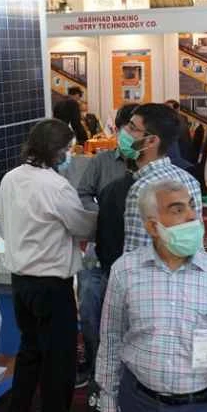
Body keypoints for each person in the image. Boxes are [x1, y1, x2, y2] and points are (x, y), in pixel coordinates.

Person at [97, 180, 207, 412]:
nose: (192, 216)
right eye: (178, 209)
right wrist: (108, 400)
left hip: (201, 411)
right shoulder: (125, 271)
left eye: (192, 206)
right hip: (138, 405)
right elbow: (111, 339)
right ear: (153, 227)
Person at [0, 119, 97, 412]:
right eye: (68, 149)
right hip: (52, 286)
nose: (70, 155)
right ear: (56, 151)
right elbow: (81, 226)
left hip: (20, 283)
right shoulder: (56, 186)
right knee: (58, 363)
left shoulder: (11, 178)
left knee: (29, 352)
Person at [75, 104, 139, 383]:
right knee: (90, 306)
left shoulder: (150, 168)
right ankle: (93, 362)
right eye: (127, 129)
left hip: (134, 250)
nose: (130, 136)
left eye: (136, 131)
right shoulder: (101, 162)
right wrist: (102, 213)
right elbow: (82, 193)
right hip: (99, 248)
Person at [122, 103, 203, 254]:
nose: (124, 131)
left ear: (151, 141)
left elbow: (136, 253)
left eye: (132, 128)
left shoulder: (142, 188)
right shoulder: (189, 179)